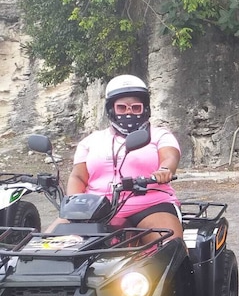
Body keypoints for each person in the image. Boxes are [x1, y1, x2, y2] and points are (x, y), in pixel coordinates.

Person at [50, 74, 183, 242]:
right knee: (48, 249)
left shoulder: (158, 135)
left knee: (168, 247)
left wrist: (165, 170)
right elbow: (78, 176)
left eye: (136, 107)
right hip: (97, 208)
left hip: (151, 204)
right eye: (122, 107)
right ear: (111, 109)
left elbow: (170, 156)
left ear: (145, 109)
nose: (129, 112)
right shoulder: (91, 141)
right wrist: (75, 205)